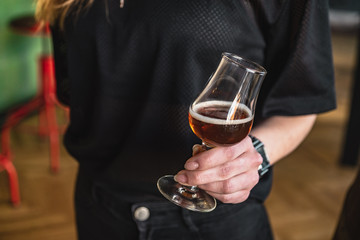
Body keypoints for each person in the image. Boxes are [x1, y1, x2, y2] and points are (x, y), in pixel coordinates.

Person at [35, 0, 336, 239]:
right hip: (98, 206)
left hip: (212, 218)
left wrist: (250, 156)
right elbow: (77, 89)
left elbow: (300, 103)